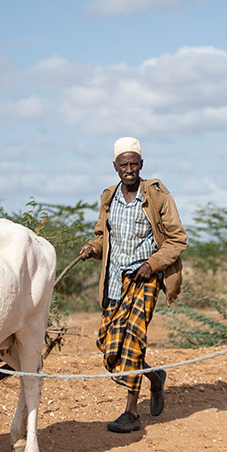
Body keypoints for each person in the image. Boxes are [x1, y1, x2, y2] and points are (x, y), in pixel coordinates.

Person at [78, 137, 187, 433]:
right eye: (123, 164)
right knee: (109, 345)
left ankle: (131, 413)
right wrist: (92, 247)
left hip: (145, 278)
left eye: (134, 164)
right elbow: (103, 237)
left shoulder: (157, 196)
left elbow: (178, 239)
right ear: (115, 167)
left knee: (134, 342)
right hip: (114, 281)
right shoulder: (108, 198)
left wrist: (152, 264)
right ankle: (154, 377)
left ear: (141, 165)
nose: (129, 169)